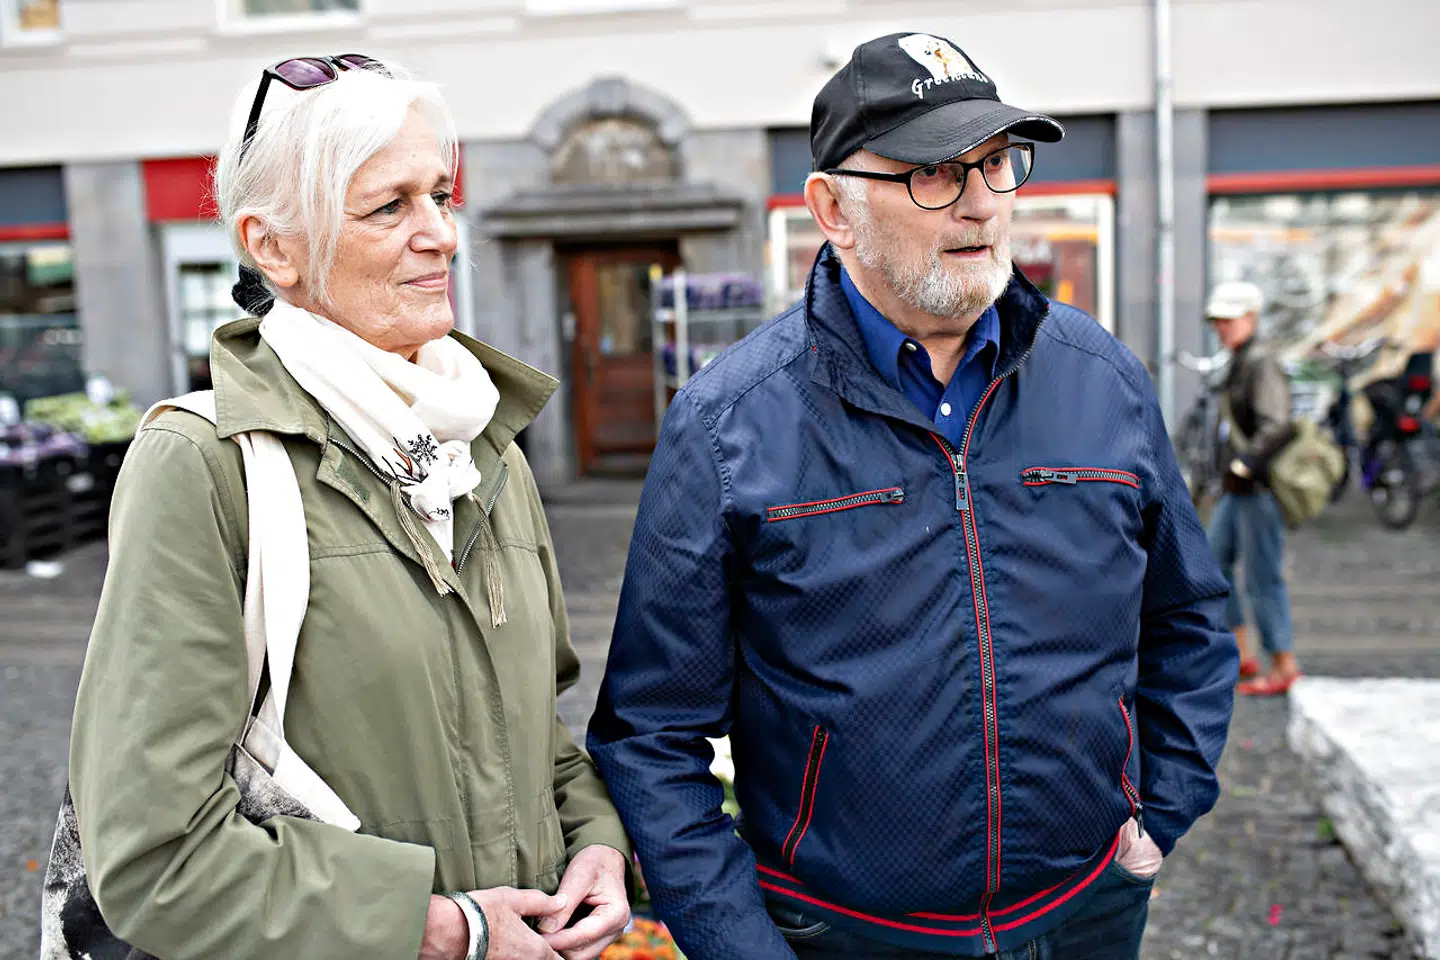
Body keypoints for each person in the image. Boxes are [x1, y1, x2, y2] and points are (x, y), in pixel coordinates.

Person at [588, 31, 1238, 960]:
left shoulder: (1104, 380)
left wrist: (1159, 812)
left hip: (1086, 911)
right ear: (834, 210)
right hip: (846, 934)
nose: (980, 206)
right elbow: (653, 731)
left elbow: (1190, 621)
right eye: (935, 174)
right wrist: (741, 946)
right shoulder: (730, 421)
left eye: (996, 165)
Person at [65, 55, 630, 960]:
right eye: (388, 206)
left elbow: (535, 735)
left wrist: (598, 842)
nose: (441, 233)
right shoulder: (202, 463)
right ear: (273, 247)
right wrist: (443, 928)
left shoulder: (481, 446)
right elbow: (152, 856)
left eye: (440, 195)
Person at [1204, 281, 1302, 696]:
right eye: (1217, 321)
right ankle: (1242, 651)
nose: (1221, 328)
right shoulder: (1242, 360)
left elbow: (1277, 424)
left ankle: (1283, 664)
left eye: (1229, 319)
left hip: (1257, 488)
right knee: (1212, 566)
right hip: (1239, 488)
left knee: (1263, 578)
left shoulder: (1260, 362)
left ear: (1251, 318)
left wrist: (1243, 465)